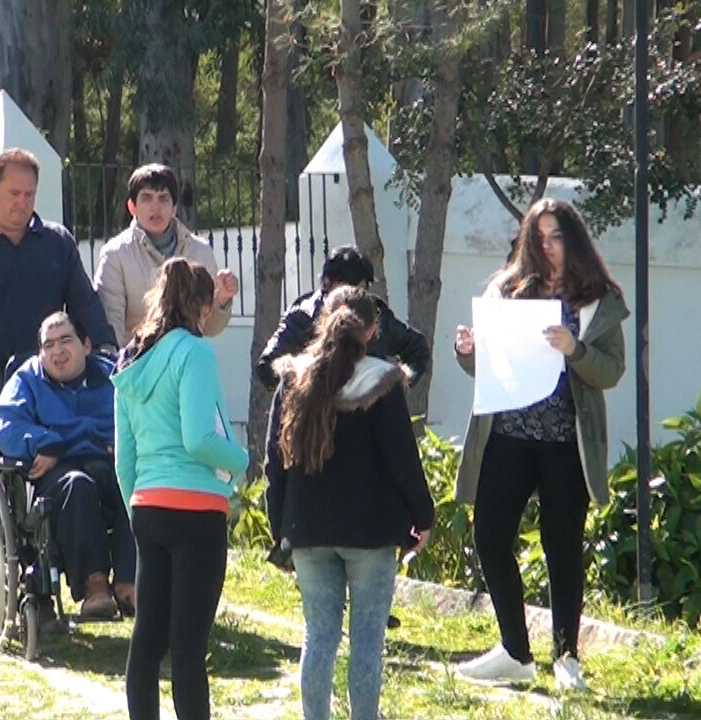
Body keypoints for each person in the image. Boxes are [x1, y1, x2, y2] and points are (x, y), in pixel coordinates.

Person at [452, 197, 627, 691]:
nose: (547, 247)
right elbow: (479, 363)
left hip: (565, 443)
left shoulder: (597, 298)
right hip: (506, 436)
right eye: (540, 238)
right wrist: (466, 349)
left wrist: (575, 349)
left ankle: (566, 657)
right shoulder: (506, 290)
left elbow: (611, 370)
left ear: (573, 240)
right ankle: (515, 650)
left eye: (556, 237)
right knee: (489, 536)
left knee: (563, 548)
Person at [264, 285, 433, 720]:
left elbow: (274, 462)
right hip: (371, 531)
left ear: (324, 321)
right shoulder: (383, 379)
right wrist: (423, 515)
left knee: (319, 635)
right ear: (372, 329)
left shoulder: (293, 379)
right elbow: (401, 459)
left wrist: (280, 526)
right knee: (367, 640)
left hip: (307, 529)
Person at [0, 148, 117, 505]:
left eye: (29, 194)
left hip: (53, 396)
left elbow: (84, 304)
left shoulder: (56, 242)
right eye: (13, 193)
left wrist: (106, 351)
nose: (22, 202)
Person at [113, 257, 249, 720]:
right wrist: (243, 461)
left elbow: (123, 457)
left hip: (148, 505)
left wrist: (138, 506)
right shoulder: (195, 352)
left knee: (147, 640)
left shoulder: (131, 358)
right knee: (188, 648)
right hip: (196, 509)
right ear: (205, 308)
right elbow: (200, 439)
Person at [0, 311, 136, 618]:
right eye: (48, 345)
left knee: (136, 484)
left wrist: (125, 440)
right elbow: (6, 430)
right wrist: (46, 442)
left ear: (86, 345)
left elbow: (141, 417)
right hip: (57, 474)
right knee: (78, 485)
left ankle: (128, 583)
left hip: (108, 464)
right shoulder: (27, 379)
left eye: (65, 341)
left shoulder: (114, 375)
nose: (57, 351)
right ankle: (95, 586)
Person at [93, 163, 238, 344]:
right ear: (132, 207)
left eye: (163, 198)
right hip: (139, 366)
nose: (156, 207)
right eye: (147, 198)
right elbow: (111, 325)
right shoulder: (115, 255)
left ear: (174, 207)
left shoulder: (200, 251)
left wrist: (223, 299)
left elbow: (210, 328)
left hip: (188, 362)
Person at [256, 245, 430, 390]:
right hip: (317, 422)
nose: (354, 297)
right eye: (348, 289)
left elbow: (417, 347)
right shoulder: (303, 316)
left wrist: (393, 388)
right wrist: (304, 389)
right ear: (327, 283)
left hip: (368, 418)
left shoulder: (376, 313)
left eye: (361, 290)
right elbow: (267, 366)